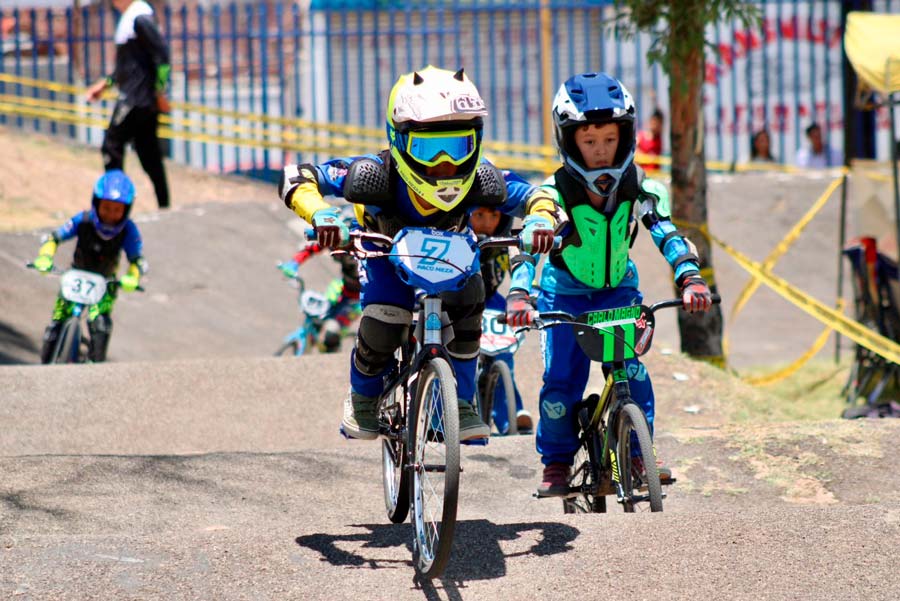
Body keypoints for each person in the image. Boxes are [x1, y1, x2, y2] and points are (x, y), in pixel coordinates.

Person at [278, 65, 559, 441]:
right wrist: (322, 214)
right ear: (399, 139)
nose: (445, 163)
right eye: (428, 149)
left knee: (468, 305)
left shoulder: (482, 176)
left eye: (457, 147)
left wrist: (540, 219)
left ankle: (462, 403)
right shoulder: (374, 173)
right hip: (384, 252)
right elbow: (297, 176)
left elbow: (538, 195)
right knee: (386, 315)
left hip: (452, 254)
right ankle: (362, 398)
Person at [504, 72, 713, 497]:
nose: (601, 151)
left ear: (627, 137)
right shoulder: (553, 194)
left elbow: (667, 233)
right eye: (589, 140)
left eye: (609, 139)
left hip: (619, 290)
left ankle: (637, 456)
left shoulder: (639, 186)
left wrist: (690, 277)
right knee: (561, 381)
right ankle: (557, 462)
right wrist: (520, 294)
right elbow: (528, 247)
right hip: (562, 295)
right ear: (568, 140)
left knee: (631, 371)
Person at [32, 170, 146, 364]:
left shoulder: (128, 230)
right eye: (106, 207)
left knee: (100, 324)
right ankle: (46, 360)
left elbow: (137, 260)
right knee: (58, 318)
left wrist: (132, 277)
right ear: (96, 202)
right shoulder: (83, 220)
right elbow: (54, 237)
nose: (110, 214)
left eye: (117, 210)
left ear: (126, 210)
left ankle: (95, 367)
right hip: (75, 277)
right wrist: (45, 257)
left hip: (106, 284)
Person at [85, 0, 171, 209]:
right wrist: (105, 84)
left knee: (112, 144)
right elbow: (127, 67)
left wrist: (160, 91)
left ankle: (115, 202)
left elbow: (162, 55)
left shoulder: (140, 17)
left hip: (135, 99)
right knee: (148, 152)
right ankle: (164, 206)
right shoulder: (130, 19)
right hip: (139, 98)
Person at [469, 206, 533, 435]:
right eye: (479, 215)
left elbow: (520, 266)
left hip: (492, 299)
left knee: (504, 352)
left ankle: (509, 415)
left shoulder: (504, 242)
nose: (488, 223)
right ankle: (460, 406)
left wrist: (529, 294)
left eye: (494, 216)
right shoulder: (461, 238)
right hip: (461, 298)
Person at [278, 206, 362, 353]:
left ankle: (330, 355)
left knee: (332, 333)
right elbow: (311, 248)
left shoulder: (365, 248)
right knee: (317, 316)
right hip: (341, 286)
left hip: (360, 299)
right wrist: (293, 263)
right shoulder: (333, 239)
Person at [635, 108, 664, 173]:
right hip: (641, 173)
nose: (656, 125)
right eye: (654, 122)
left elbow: (653, 158)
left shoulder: (658, 140)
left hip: (654, 174)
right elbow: (634, 151)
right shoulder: (641, 136)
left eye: (659, 123)